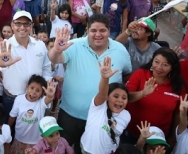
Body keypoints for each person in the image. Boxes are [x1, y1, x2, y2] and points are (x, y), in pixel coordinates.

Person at [47, 14, 132, 154]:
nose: (98, 34)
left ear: (109, 31)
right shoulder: (74, 45)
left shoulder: (121, 50)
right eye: (93, 30)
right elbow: (55, 59)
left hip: (102, 119)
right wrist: (56, 50)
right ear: (87, 30)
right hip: (70, 115)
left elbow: (127, 74)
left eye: (102, 30)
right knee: (61, 149)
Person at [0, 11, 52, 118]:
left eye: (26, 24)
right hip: (12, 97)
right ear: (12, 25)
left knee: (32, 127)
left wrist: (47, 84)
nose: (22, 27)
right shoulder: (5, 46)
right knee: (11, 127)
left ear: (31, 26)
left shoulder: (40, 45)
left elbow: (46, 67)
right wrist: (2, 64)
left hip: (35, 96)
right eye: (18, 23)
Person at [125, 48, 185, 145]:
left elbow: (177, 115)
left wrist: (173, 137)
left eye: (165, 65)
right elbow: (127, 97)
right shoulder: (140, 74)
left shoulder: (178, 86)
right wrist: (142, 93)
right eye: (156, 62)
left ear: (172, 68)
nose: (159, 67)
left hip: (157, 138)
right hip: (132, 133)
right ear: (152, 61)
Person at [80, 57, 130, 153]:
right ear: (107, 96)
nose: (120, 100)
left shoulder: (126, 115)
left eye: (124, 98)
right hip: (88, 150)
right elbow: (102, 94)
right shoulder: (99, 107)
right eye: (116, 96)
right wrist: (105, 78)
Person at [8, 75, 56, 153]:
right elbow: (12, 116)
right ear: (27, 86)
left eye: (38, 90)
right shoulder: (19, 99)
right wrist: (8, 127)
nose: (33, 92)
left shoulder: (42, 101)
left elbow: (48, 100)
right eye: (32, 88)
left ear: (42, 93)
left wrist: (50, 96)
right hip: (19, 138)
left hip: (36, 141)